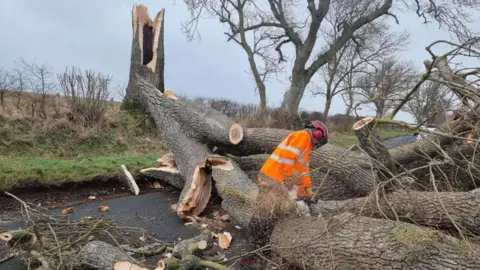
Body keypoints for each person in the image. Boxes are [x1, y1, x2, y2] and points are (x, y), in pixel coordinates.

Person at [257, 120, 329, 201]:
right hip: (272, 176)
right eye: (318, 141)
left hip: (275, 177)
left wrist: (307, 189)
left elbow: (303, 171)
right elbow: (287, 156)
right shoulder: (303, 136)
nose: (316, 144)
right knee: (272, 206)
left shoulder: (306, 147)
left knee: (276, 206)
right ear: (317, 134)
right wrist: (289, 176)